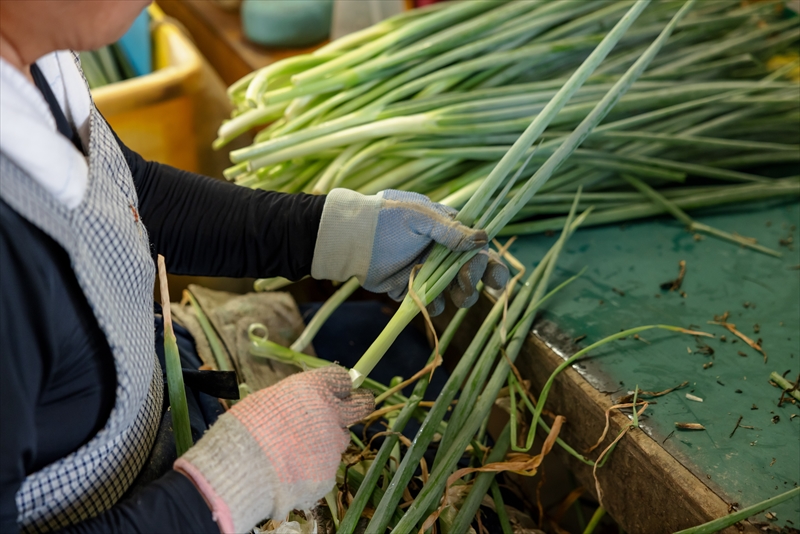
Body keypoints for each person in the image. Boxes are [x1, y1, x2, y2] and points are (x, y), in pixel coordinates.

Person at [0, 2, 509, 533]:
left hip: (162, 386)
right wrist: (226, 484)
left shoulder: (37, 49)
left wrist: (337, 235)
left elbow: (130, 191)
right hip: (146, 505)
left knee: (424, 371)